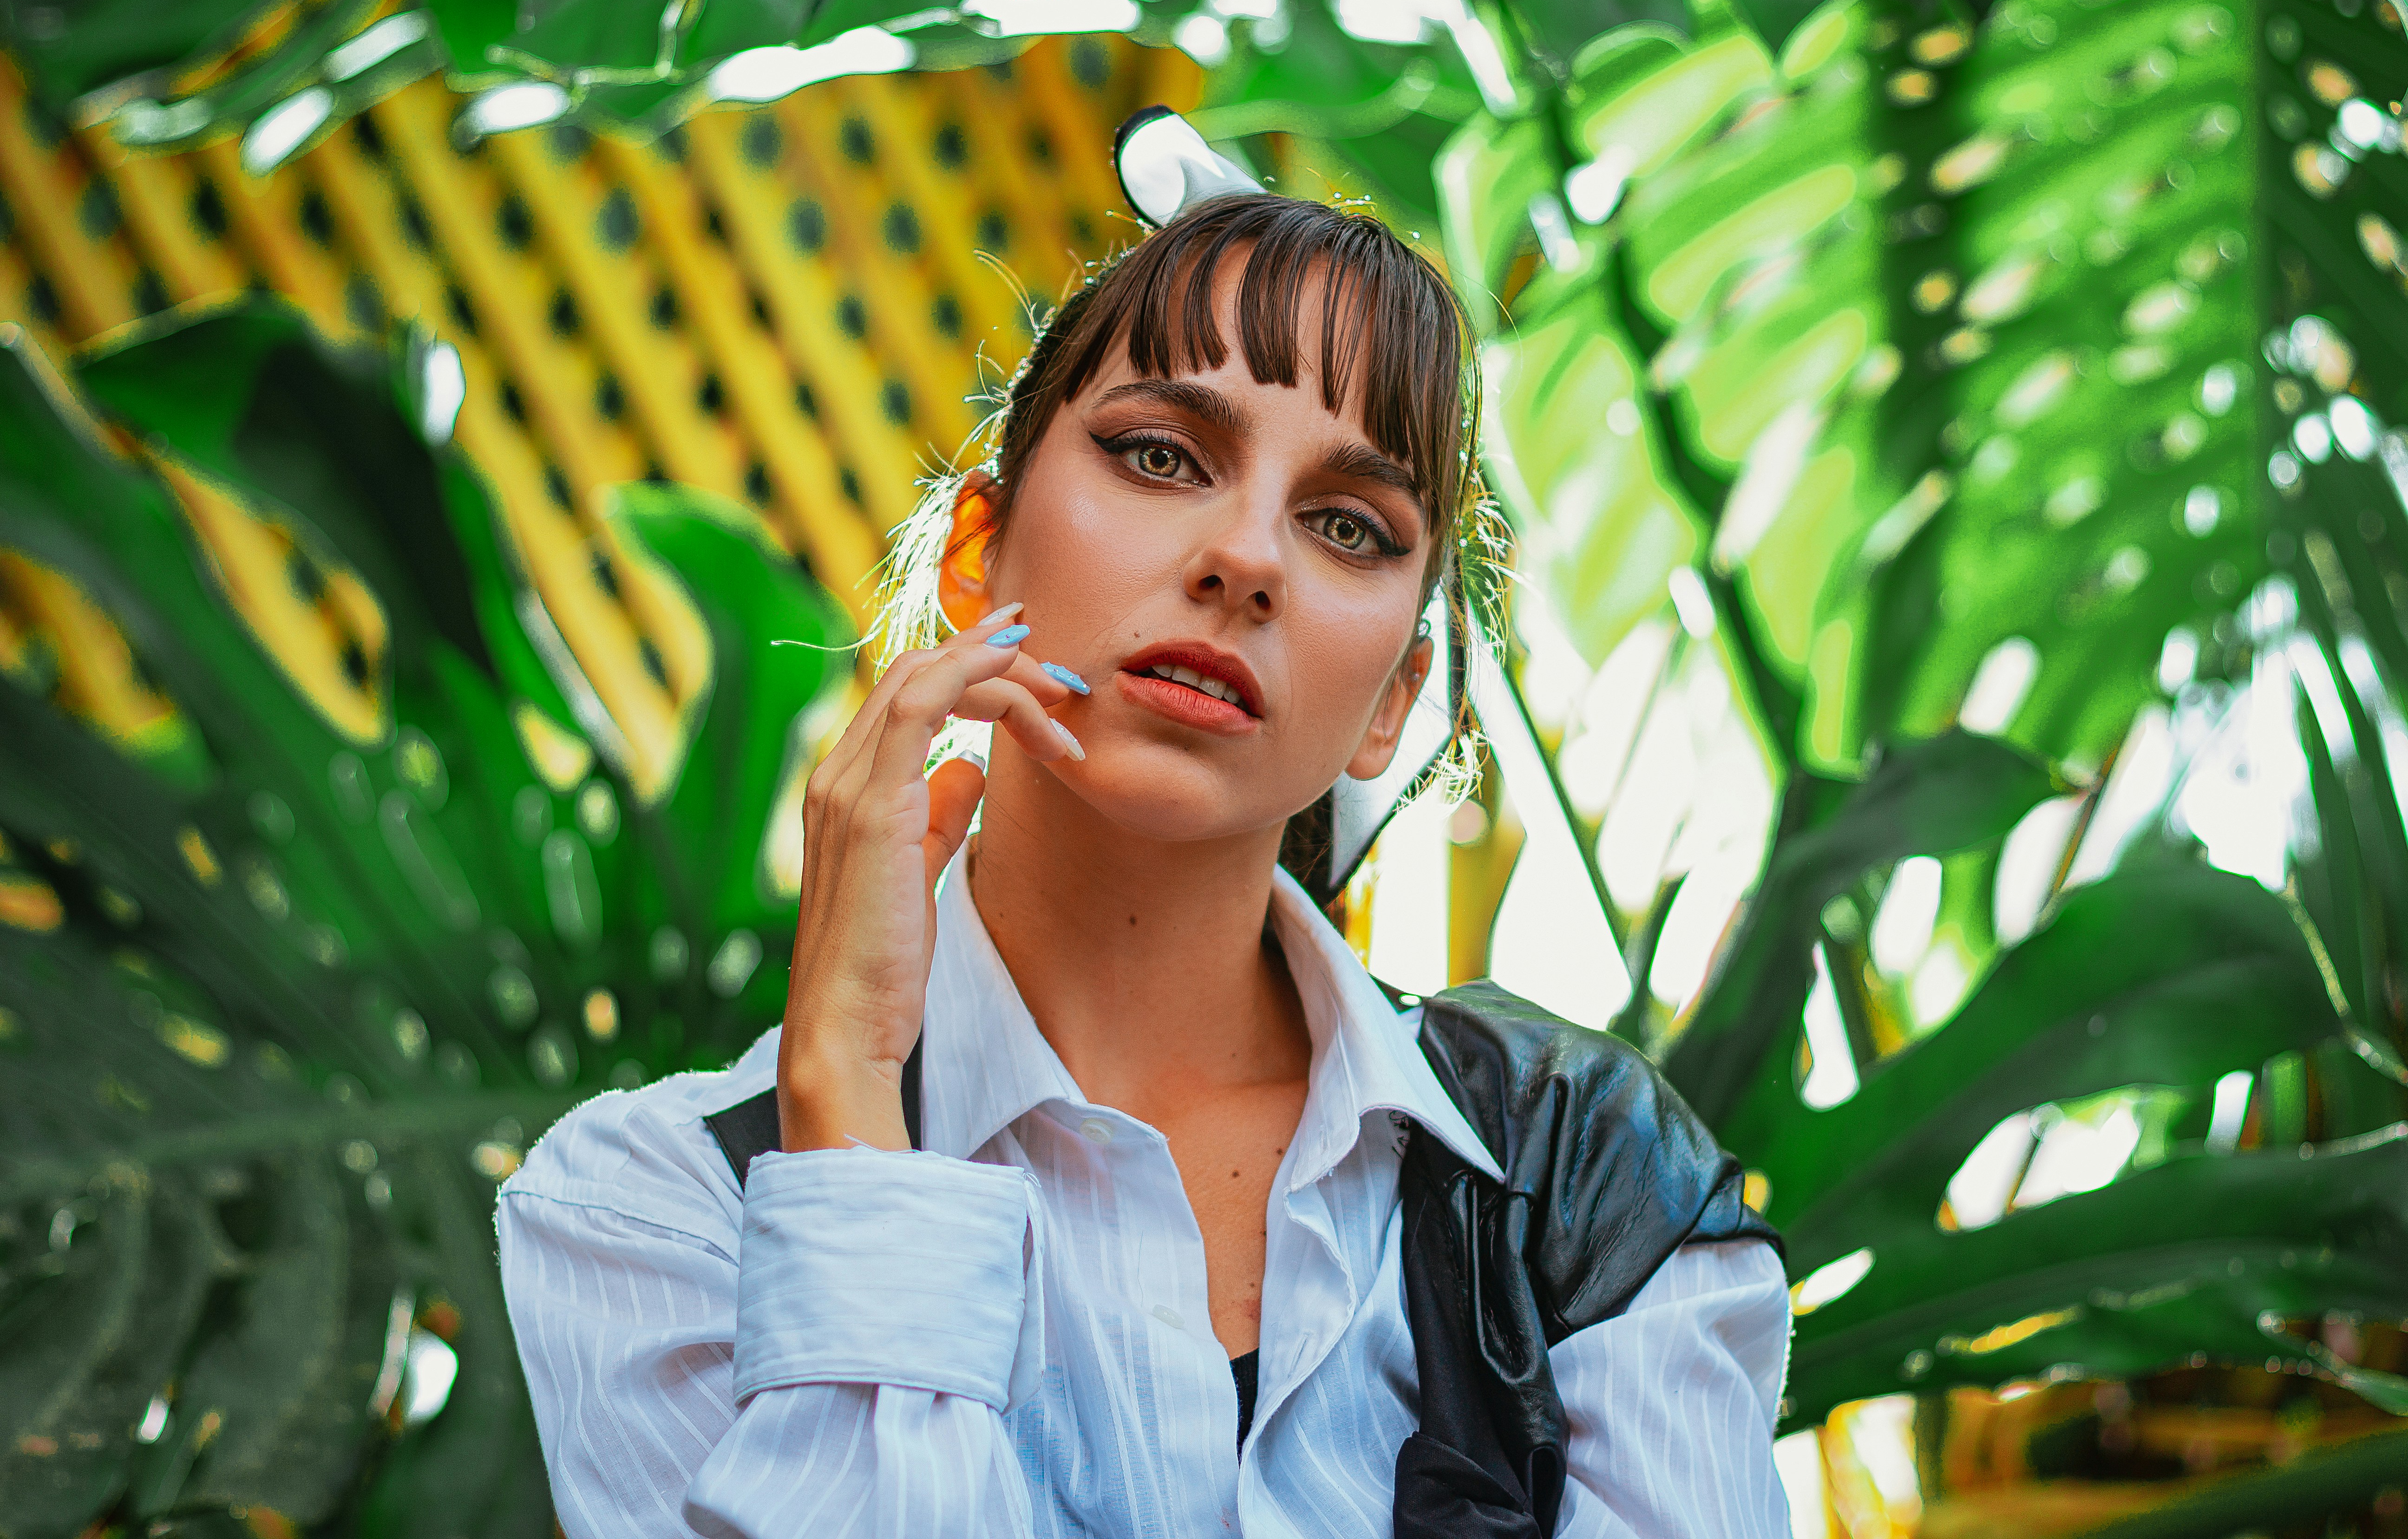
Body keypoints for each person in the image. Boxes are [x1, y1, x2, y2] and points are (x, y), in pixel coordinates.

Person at [498, 174, 1792, 1537]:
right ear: (972, 561)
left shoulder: (1585, 1182)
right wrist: (847, 1115)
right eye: (1164, 456)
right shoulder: (652, 1210)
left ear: (1394, 704)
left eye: (1348, 526)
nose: (1245, 559)